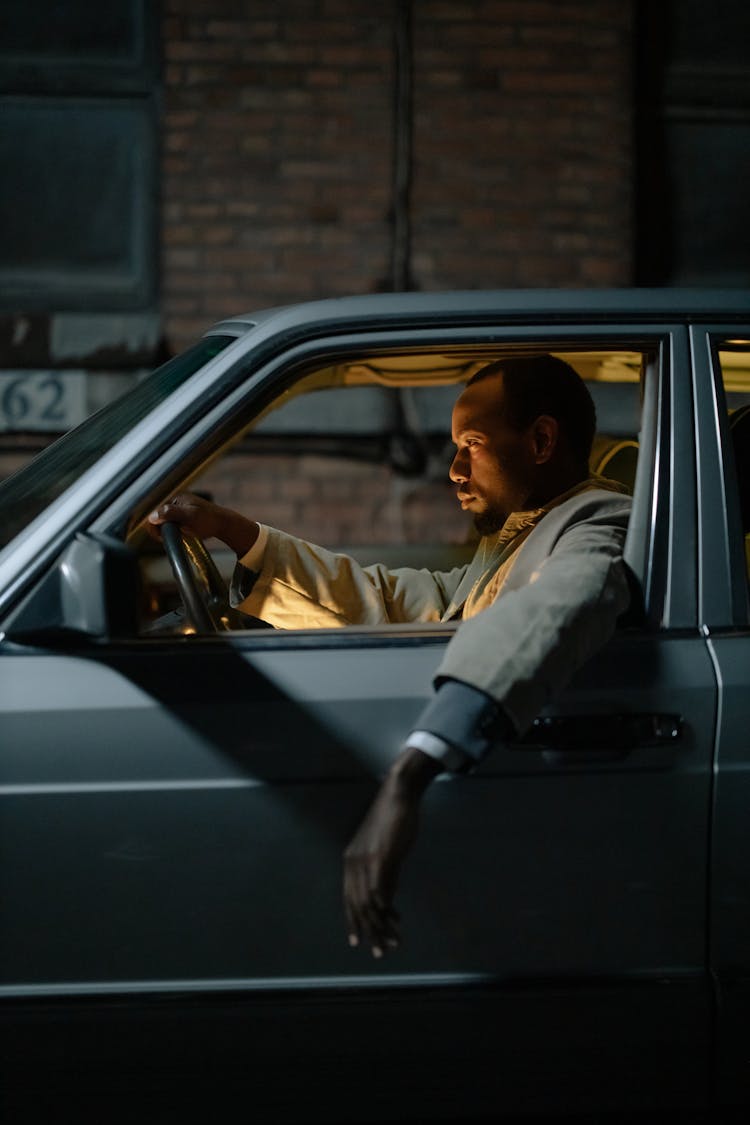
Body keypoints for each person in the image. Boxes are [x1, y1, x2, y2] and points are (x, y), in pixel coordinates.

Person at [149, 355, 632, 958]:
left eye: (472, 444)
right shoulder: (524, 532)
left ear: (540, 440)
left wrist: (408, 774)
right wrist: (231, 529)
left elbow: (551, 613)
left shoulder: (597, 521)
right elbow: (411, 602)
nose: (454, 470)